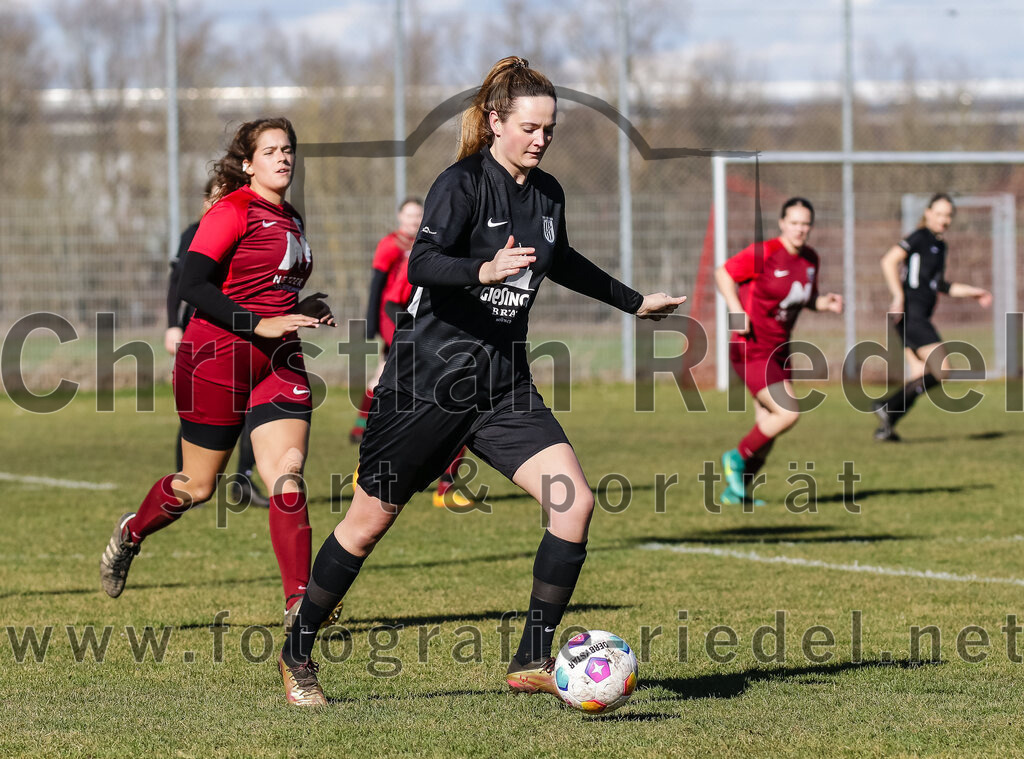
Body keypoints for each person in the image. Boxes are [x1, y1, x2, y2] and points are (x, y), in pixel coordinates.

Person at [276, 56, 685, 707]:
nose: (540, 138)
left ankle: (531, 656)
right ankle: (297, 653)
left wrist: (635, 303)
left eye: (548, 128)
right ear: (496, 121)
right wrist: (483, 270)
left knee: (573, 501)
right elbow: (424, 261)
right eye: (529, 126)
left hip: (501, 387)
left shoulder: (547, 194)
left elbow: (564, 259)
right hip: (425, 385)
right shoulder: (462, 183)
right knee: (365, 526)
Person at [100, 117, 341, 633]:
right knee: (197, 486)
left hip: (278, 359)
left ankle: (299, 605)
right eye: (271, 150)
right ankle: (131, 533)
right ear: (248, 163)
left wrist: (302, 306)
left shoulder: (292, 217)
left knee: (288, 474)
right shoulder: (231, 210)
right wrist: (260, 322)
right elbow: (193, 284)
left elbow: (265, 289)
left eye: (289, 149)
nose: (283, 158)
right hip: (216, 358)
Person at [715, 197, 844, 505]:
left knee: (768, 427)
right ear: (782, 223)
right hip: (751, 346)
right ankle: (736, 457)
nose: (800, 229)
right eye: (795, 222)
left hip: (779, 350)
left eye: (805, 224)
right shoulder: (765, 252)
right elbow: (723, 274)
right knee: (788, 412)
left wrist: (823, 303)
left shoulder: (811, 259)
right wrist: (736, 310)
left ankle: (737, 490)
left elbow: (804, 297)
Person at [349, 196, 476, 508]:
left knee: (463, 400)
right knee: (398, 392)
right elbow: (386, 295)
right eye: (408, 216)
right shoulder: (399, 249)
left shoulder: (457, 249)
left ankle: (445, 486)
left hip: (447, 337)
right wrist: (377, 326)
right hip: (409, 328)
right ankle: (370, 464)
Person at [166, 177, 269, 508]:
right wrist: (171, 326)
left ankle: (243, 481)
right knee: (203, 412)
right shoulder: (197, 231)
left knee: (254, 410)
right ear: (208, 199)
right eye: (219, 194)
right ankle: (187, 479)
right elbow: (179, 282)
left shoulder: (255, 229)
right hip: (203, 333)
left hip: (246, 334)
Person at [872, 193, 992, 441]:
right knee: (942, 370)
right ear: (927, 213)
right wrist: (898, 296)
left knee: (919, 376)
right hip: (912, 315)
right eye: (938, 213)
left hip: (917, 316)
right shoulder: (920, 237)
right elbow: (888, 260)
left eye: (948, 215)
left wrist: (973, 292)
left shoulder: (940, 246)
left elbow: (939, 284)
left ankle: (887, 425)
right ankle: (887, 406)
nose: (943, 219)